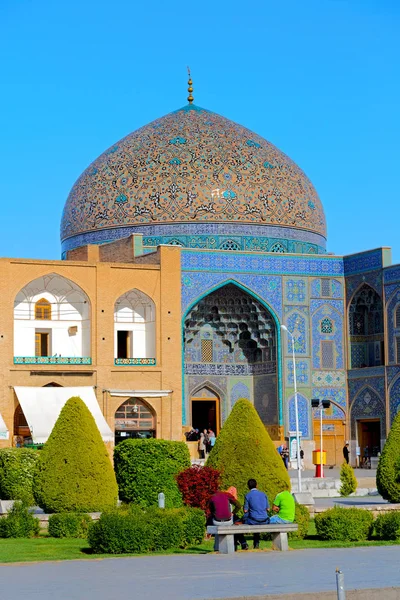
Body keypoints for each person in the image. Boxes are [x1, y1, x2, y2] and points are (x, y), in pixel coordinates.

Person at [209, 486, 248, 551]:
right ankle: (240, 543)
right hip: (228, 521)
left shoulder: (213, 497)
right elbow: (238, 505)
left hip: (217, 521)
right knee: (234, 525)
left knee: (220, 524)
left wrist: (215, 514)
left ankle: (217, 547)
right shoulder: (227, 496)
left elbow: (211, 510)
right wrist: (232, 513)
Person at [243, 478, 269, 549]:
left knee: (244, 519)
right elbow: (268, 509)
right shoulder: (264, 494)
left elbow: (245, 510)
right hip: (265, 520)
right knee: (257, 519)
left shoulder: (247, 495)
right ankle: (256, 543)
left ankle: (244, 543)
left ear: (248, 487)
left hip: (253, 520)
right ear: (257, 485)